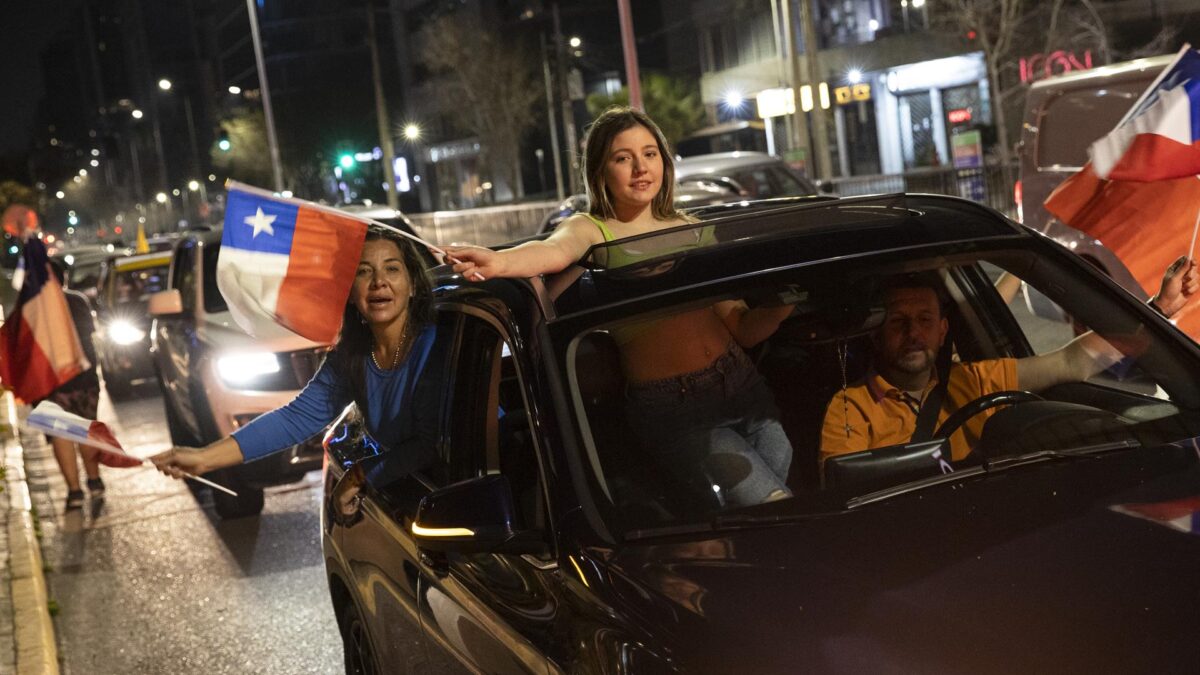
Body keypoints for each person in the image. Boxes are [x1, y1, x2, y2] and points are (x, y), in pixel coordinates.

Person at [443, 106, 794, 506]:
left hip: (743, 385)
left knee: (785, 507)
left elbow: (743, 328)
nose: (640, 168)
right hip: (674, 409)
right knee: (771, 504)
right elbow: (552, 252)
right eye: (622, 158)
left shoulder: (691, 228)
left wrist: (785, 303)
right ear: (600, 171)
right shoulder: (593, 228)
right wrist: (500, 262)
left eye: (649, 154)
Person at [151, 228, 436, 518]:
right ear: (349, 292)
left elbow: (431, 443)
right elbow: (295, 418)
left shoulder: (435, 344)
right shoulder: (351, 357)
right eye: (364, 272)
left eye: (392, 269)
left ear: (413, 285)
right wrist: (203, 458)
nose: (379, 282)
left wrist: (359, 475)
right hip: (409, 500)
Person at [820, 261, 1199, 464]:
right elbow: (849, 504)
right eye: (898, 323)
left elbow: (1071, 362)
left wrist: (1159, 308)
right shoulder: (849, 408)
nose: (914, 334)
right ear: (875, 333)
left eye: (924, 321)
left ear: (942, 330)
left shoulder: (977, 379)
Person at [43, 260, 104, 510]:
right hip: (84, 377)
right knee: (85, 430)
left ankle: (74, 491)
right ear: (63, 278)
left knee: (61, 435)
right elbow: (89, 335)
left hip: (52, 382)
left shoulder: (33, 308)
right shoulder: (77, 301)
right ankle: (94, 480)